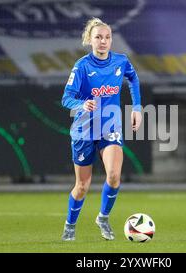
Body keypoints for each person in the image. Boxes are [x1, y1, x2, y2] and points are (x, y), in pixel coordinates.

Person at [60, 17, 142, 241]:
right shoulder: (82, 67)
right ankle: (70, 225)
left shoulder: (121, 61)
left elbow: (133, 79)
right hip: (84, 131)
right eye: (98, 37)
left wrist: (136, 107)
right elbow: (66, 98)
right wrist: (81, 104)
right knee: (82, 186)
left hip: (110, 127)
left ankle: (103, 218)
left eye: (107, 37)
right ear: (90, 40)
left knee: (114, 176)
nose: (103, 41)